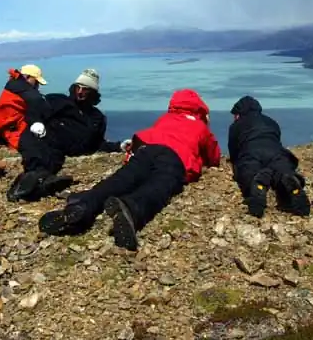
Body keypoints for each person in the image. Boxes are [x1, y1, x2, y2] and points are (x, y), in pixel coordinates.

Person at [38, 89, 221, 251]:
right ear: (199, 108)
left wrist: (129, 157)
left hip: (146, 150)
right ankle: (131, 208)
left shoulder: (165, 118)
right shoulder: (199, 126)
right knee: (158, 186)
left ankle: (83, 204)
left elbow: (148, 136)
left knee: (119, 181)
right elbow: (213, 156)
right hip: (174, 158)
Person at [6, 69, 131, 202]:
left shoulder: (96, 119)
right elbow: (35, 109)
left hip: (60, 150)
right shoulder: (57, 100)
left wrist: (119, 146)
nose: (80, 92)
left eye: (86, 89)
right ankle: (34, 184)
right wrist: (36, 122)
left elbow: (96, 144)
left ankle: (32, 186)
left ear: (93, 93)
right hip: (41, 138)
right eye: (78, 87)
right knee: (37, 157)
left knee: (51, 163)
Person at [0, 64, 73, 202]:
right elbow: (41, 105)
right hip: (11, 128)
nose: (37, 86)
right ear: (28, 77)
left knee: (44, 143)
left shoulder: (16, 85)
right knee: (35, 147)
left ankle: (40, 179)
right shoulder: (24, 90)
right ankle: (30, 183)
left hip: (10, 124)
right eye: (36, 82)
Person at [228, 95, 310, 218]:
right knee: (282, 168)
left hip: (251, 151)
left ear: (239, 113)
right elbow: (277, 139)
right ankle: (289, 180)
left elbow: (233, 151)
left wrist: (236, 162)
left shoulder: (237, 125)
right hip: (275, 151)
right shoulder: (271, 121)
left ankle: (256, 185)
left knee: (249, 171)